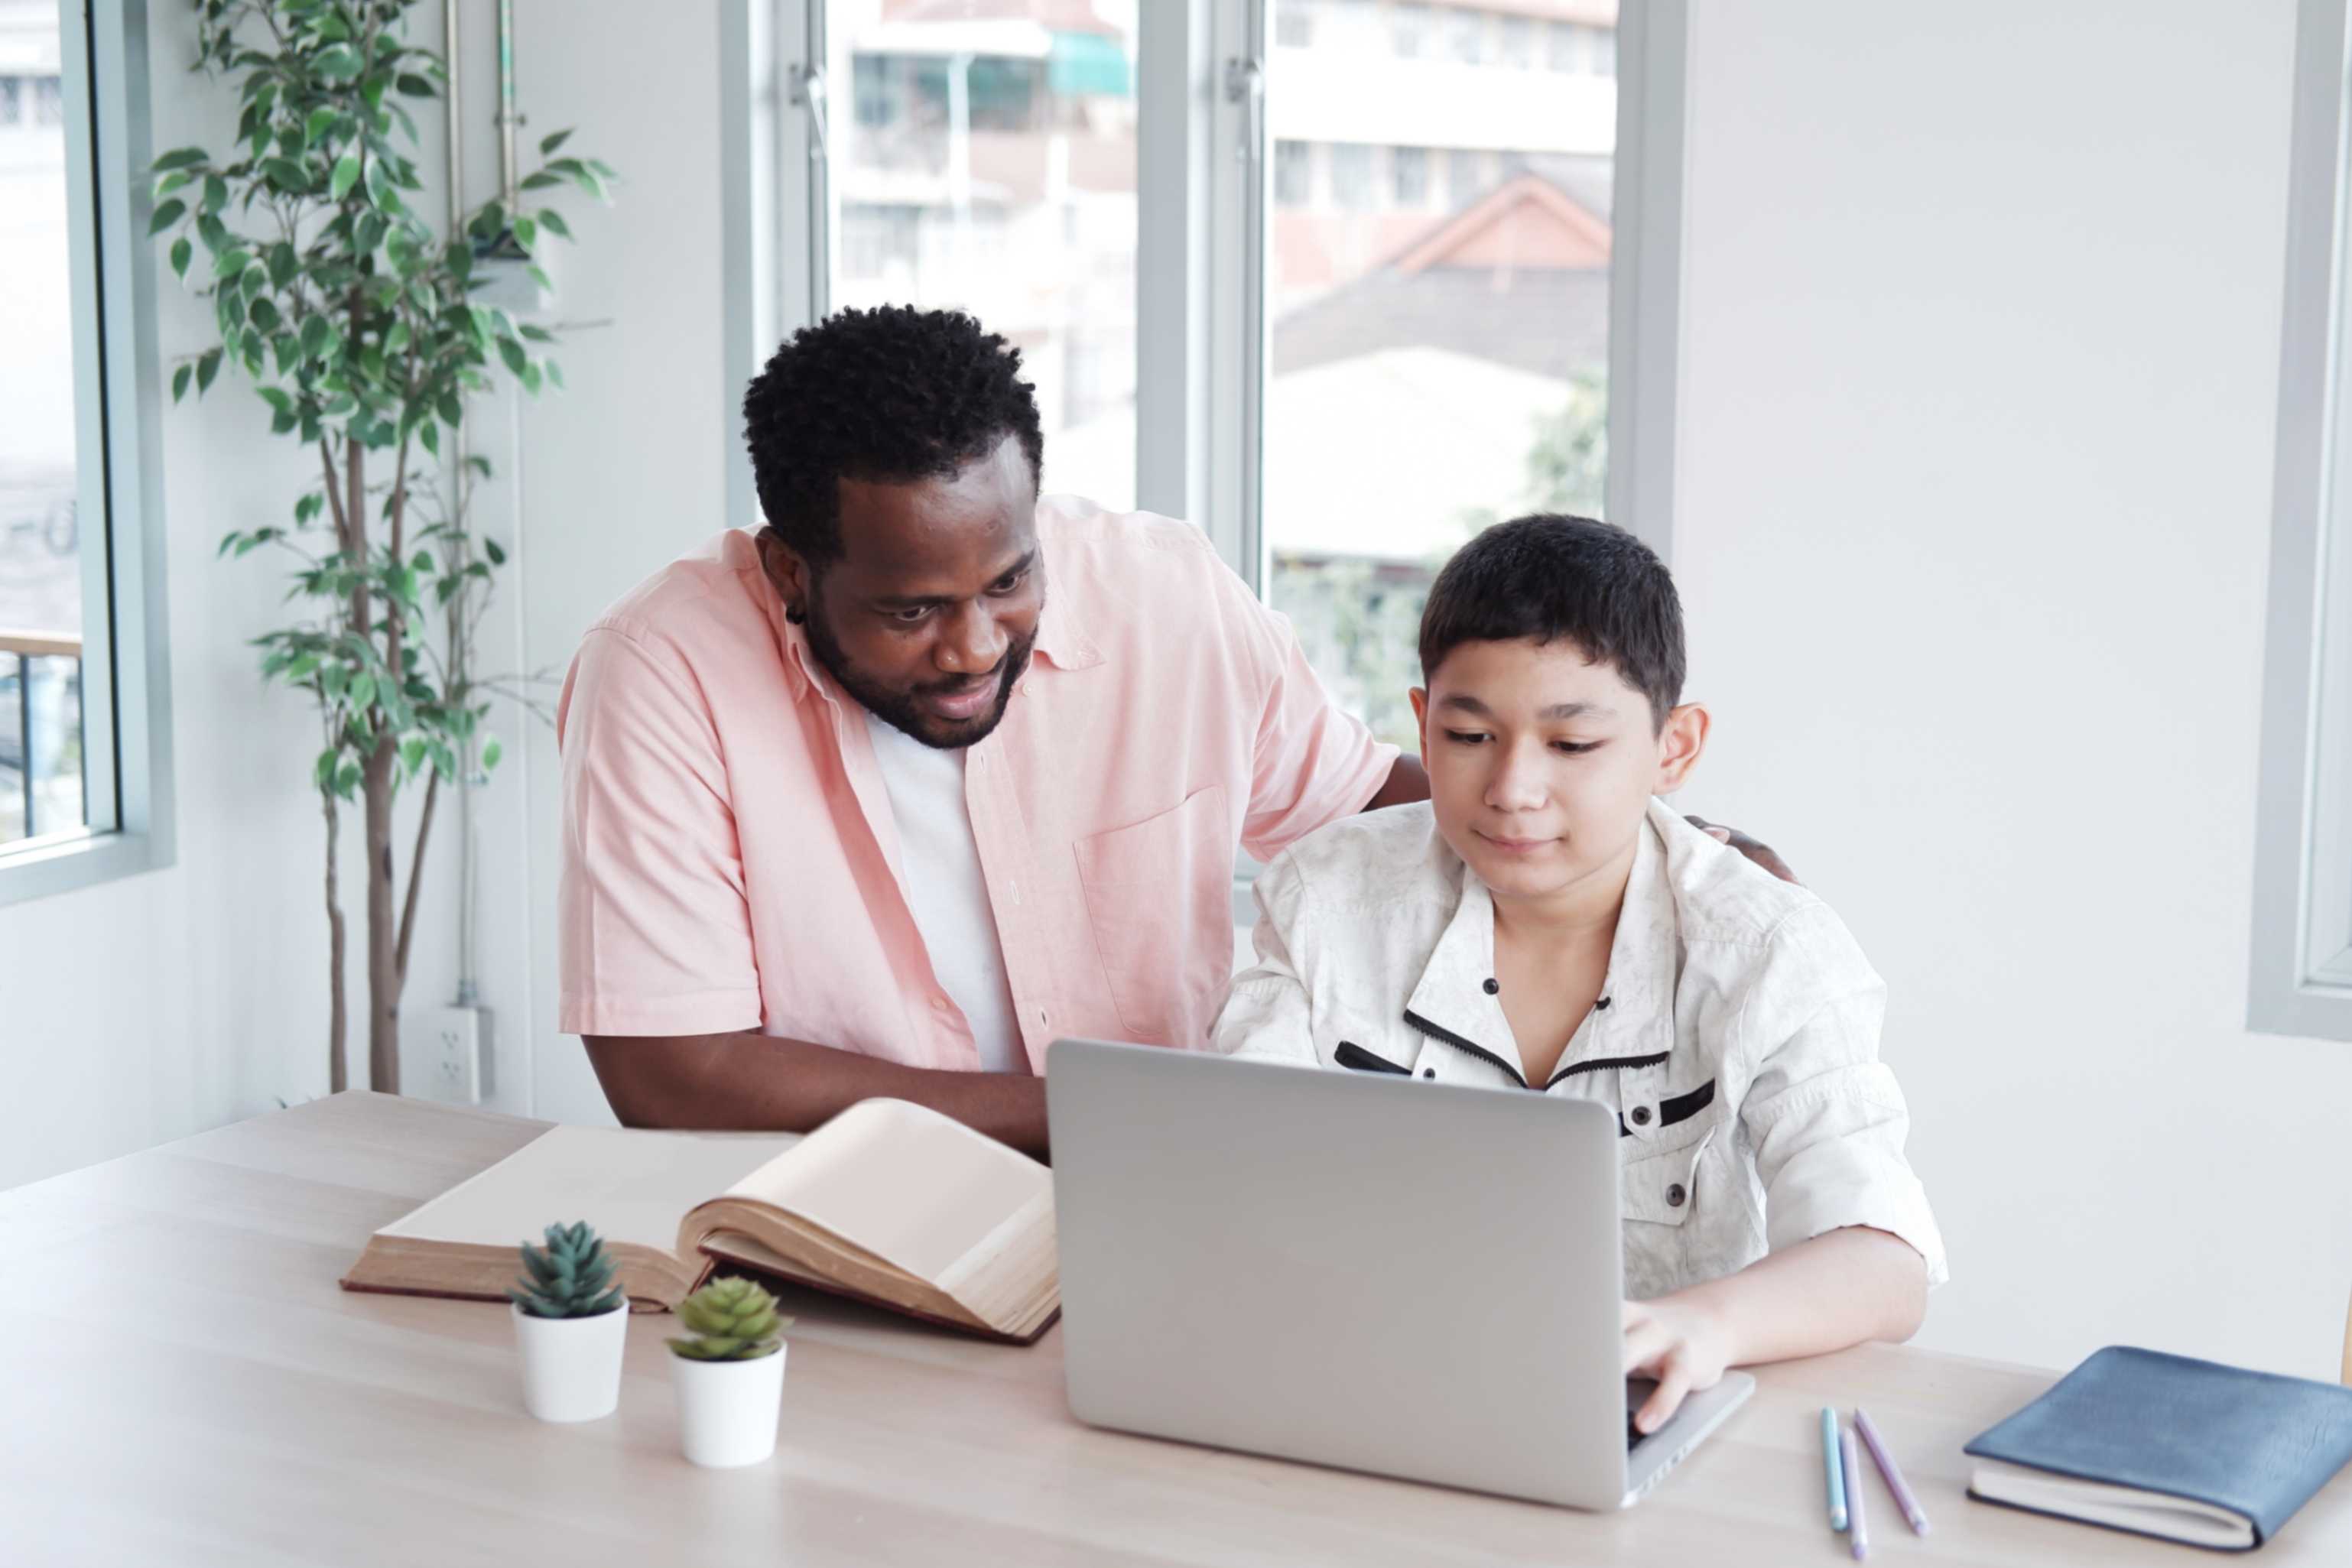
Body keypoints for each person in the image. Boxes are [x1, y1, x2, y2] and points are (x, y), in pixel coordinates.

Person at [556, 306, 1427, 1157]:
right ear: (791, 569)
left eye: (1009, 578)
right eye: (912, 609)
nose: (974, 647)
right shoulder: (659, 668)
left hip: (1173, 1201)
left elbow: (1380, 820)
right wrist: (1116, 1117)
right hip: (848, 1224)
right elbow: (674, 1071)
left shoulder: (1168, 596)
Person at [1211, 514, 1944, 1434]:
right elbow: (1226, 1176)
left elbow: (1882, 1258)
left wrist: (1704, 1322)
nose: (1512, 787)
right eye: (1469, 734)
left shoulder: (1768, 946)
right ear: (1421, 723)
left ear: (1672, 746)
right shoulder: (1324, 899)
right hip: (1360, 1395)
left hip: (1644, 1422)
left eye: (1571, 745)